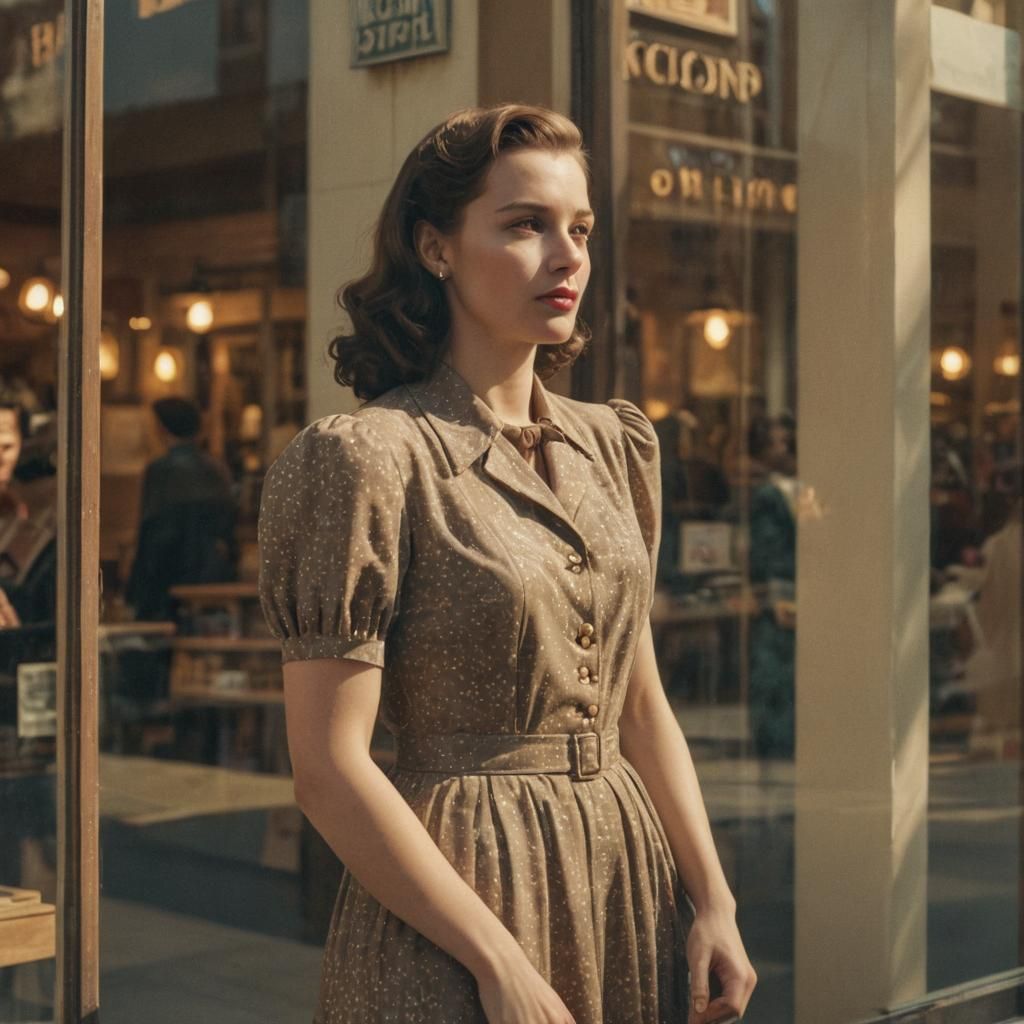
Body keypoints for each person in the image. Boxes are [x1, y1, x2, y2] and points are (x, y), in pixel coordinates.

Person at [258, 104, 756, 1024]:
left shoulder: (614, 445)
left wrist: (714, 900)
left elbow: (639, 704)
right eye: (526, 225)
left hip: (621, 874)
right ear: (435, 247)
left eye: (581, 230)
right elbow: (327, 767)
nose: (566, 257)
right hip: (457, 892)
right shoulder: (370, 457)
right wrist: (497, 961)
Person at [126, 396, 238, 622]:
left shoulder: (160, 471)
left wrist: (135, 591)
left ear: (162, 429)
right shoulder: (216, 468)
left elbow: (152, 534)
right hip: (212, 574)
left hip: (166, 576)